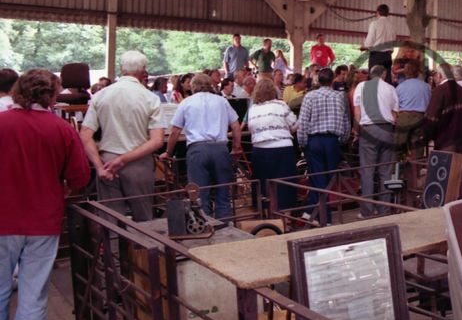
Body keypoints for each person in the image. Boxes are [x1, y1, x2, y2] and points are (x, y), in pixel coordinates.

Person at [0, 69, 90, 320]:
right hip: (43, 219)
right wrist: (65, 187)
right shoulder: (61, 128)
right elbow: (80, 176)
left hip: (3, 217)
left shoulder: (2, 123)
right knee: (32, 298)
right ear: (51, 96)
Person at [80, 51, 164, 221]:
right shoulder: (150, 98)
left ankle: (115, 247)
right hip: (138, 163)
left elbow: (85, 135)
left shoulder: (100, 96)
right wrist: (124, 159)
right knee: (144, 221)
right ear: (143, 71)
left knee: (110, 221)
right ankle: (143, 247)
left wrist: (98, 167)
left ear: (121, 68)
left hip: (107, 162)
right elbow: (157, 140)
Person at [162, 74, 242, 219]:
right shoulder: (221, 101)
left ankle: (204, 225)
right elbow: (236, 126)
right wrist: (236, 147)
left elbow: (175, 131)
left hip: (197, 150)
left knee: (199, 193)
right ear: (210, 85)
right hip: (220, 149)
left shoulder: (186, 103)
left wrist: (168, 152)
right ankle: (225, 228)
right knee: (222, 191)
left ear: (193, 87)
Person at [297, 68, 350, 224]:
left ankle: (324, 218)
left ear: (317, 81)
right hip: (332, 140)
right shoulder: (340, 97)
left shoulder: (310, 96)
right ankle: (310, 212)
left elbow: (303, 121)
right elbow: (346, 120)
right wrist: (343, 139)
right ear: (333, 79)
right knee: (325, 178)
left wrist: (302, 142)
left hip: (314, 140)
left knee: (318, 178)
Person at [353, 65, 398, 218]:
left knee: (367, 171)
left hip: (368, 128)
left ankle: (367, 211)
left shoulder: (361, 86)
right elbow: (395, 114)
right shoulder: (391, 89)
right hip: (386, 129)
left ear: (371, 75)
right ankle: (385, 210)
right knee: (385, 172)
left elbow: (357, 112)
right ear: (384, 74)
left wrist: (357, 132)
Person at [247, 79, 298, 211]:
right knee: (284, 183)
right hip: (282, 148)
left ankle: (264, 211)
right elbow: (294, 125)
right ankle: (285, 215)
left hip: (260, 149)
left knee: (262, 183)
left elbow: (251, 128)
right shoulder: (281, 105)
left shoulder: (253, 109)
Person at [422, 63, 462, 152]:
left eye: (435, 74)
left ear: (439, 75)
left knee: (445, 165)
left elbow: (432, 116)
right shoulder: (461, 90)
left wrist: (425, 134)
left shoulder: (440, 90)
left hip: (446, 139)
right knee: (458, 165)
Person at [395, 59, 431, 161]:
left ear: (405, 72)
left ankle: (395, 172)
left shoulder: (400, 87)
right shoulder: (426, 86)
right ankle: (415, 173)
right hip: (421, 117)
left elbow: (396, 105)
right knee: (417, 148)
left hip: (404, 116)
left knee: (398, 146)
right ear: (418, 71)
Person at [361, 4, 396, 82]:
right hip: (387, 55)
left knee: (374, 79)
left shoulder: (374, 24)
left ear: (378, 12)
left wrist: (363, 47)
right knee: (386, 79)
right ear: (388, 13)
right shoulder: (392, 26)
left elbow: (369, 43)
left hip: (376, 55)